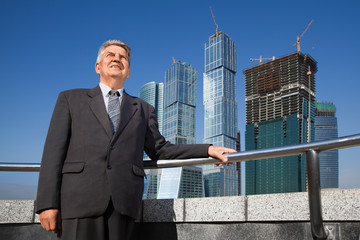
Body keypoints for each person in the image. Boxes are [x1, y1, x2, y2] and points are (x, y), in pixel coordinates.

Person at [36, 40, 236, 240]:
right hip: (79, 203)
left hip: (123, 206)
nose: (117, 58)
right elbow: (53, 154)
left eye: (123, 57)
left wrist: (207, 149)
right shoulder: (70, 99)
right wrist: (47, 204)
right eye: (110, 55)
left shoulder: (143, 108)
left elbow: (161, 149)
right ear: (98, 67)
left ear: (128, 71)